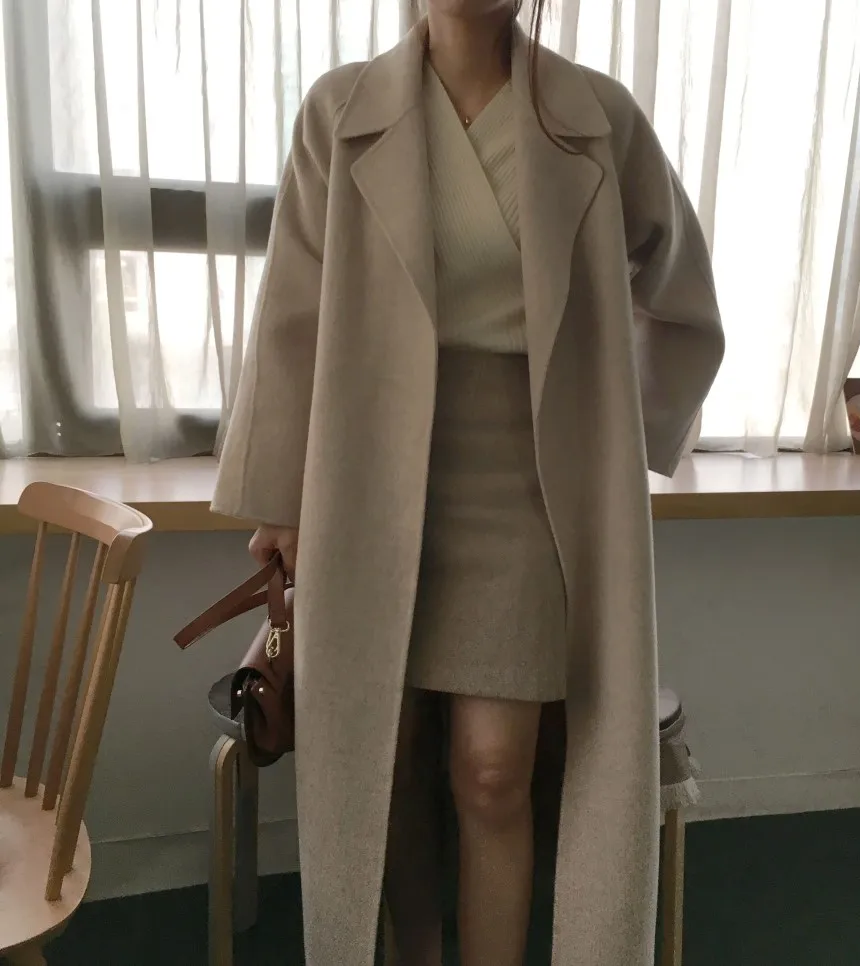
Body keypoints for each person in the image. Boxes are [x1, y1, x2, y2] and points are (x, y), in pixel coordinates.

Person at [212, 1, 725, 964]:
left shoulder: (597, 117)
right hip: (369, 477)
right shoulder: (339, 111)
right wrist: (280, 501)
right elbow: (291, 317)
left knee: (493, 772)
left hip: (533, 486)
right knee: (387, 764)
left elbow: (683, 294)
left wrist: (632, 437)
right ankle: (415, 946)